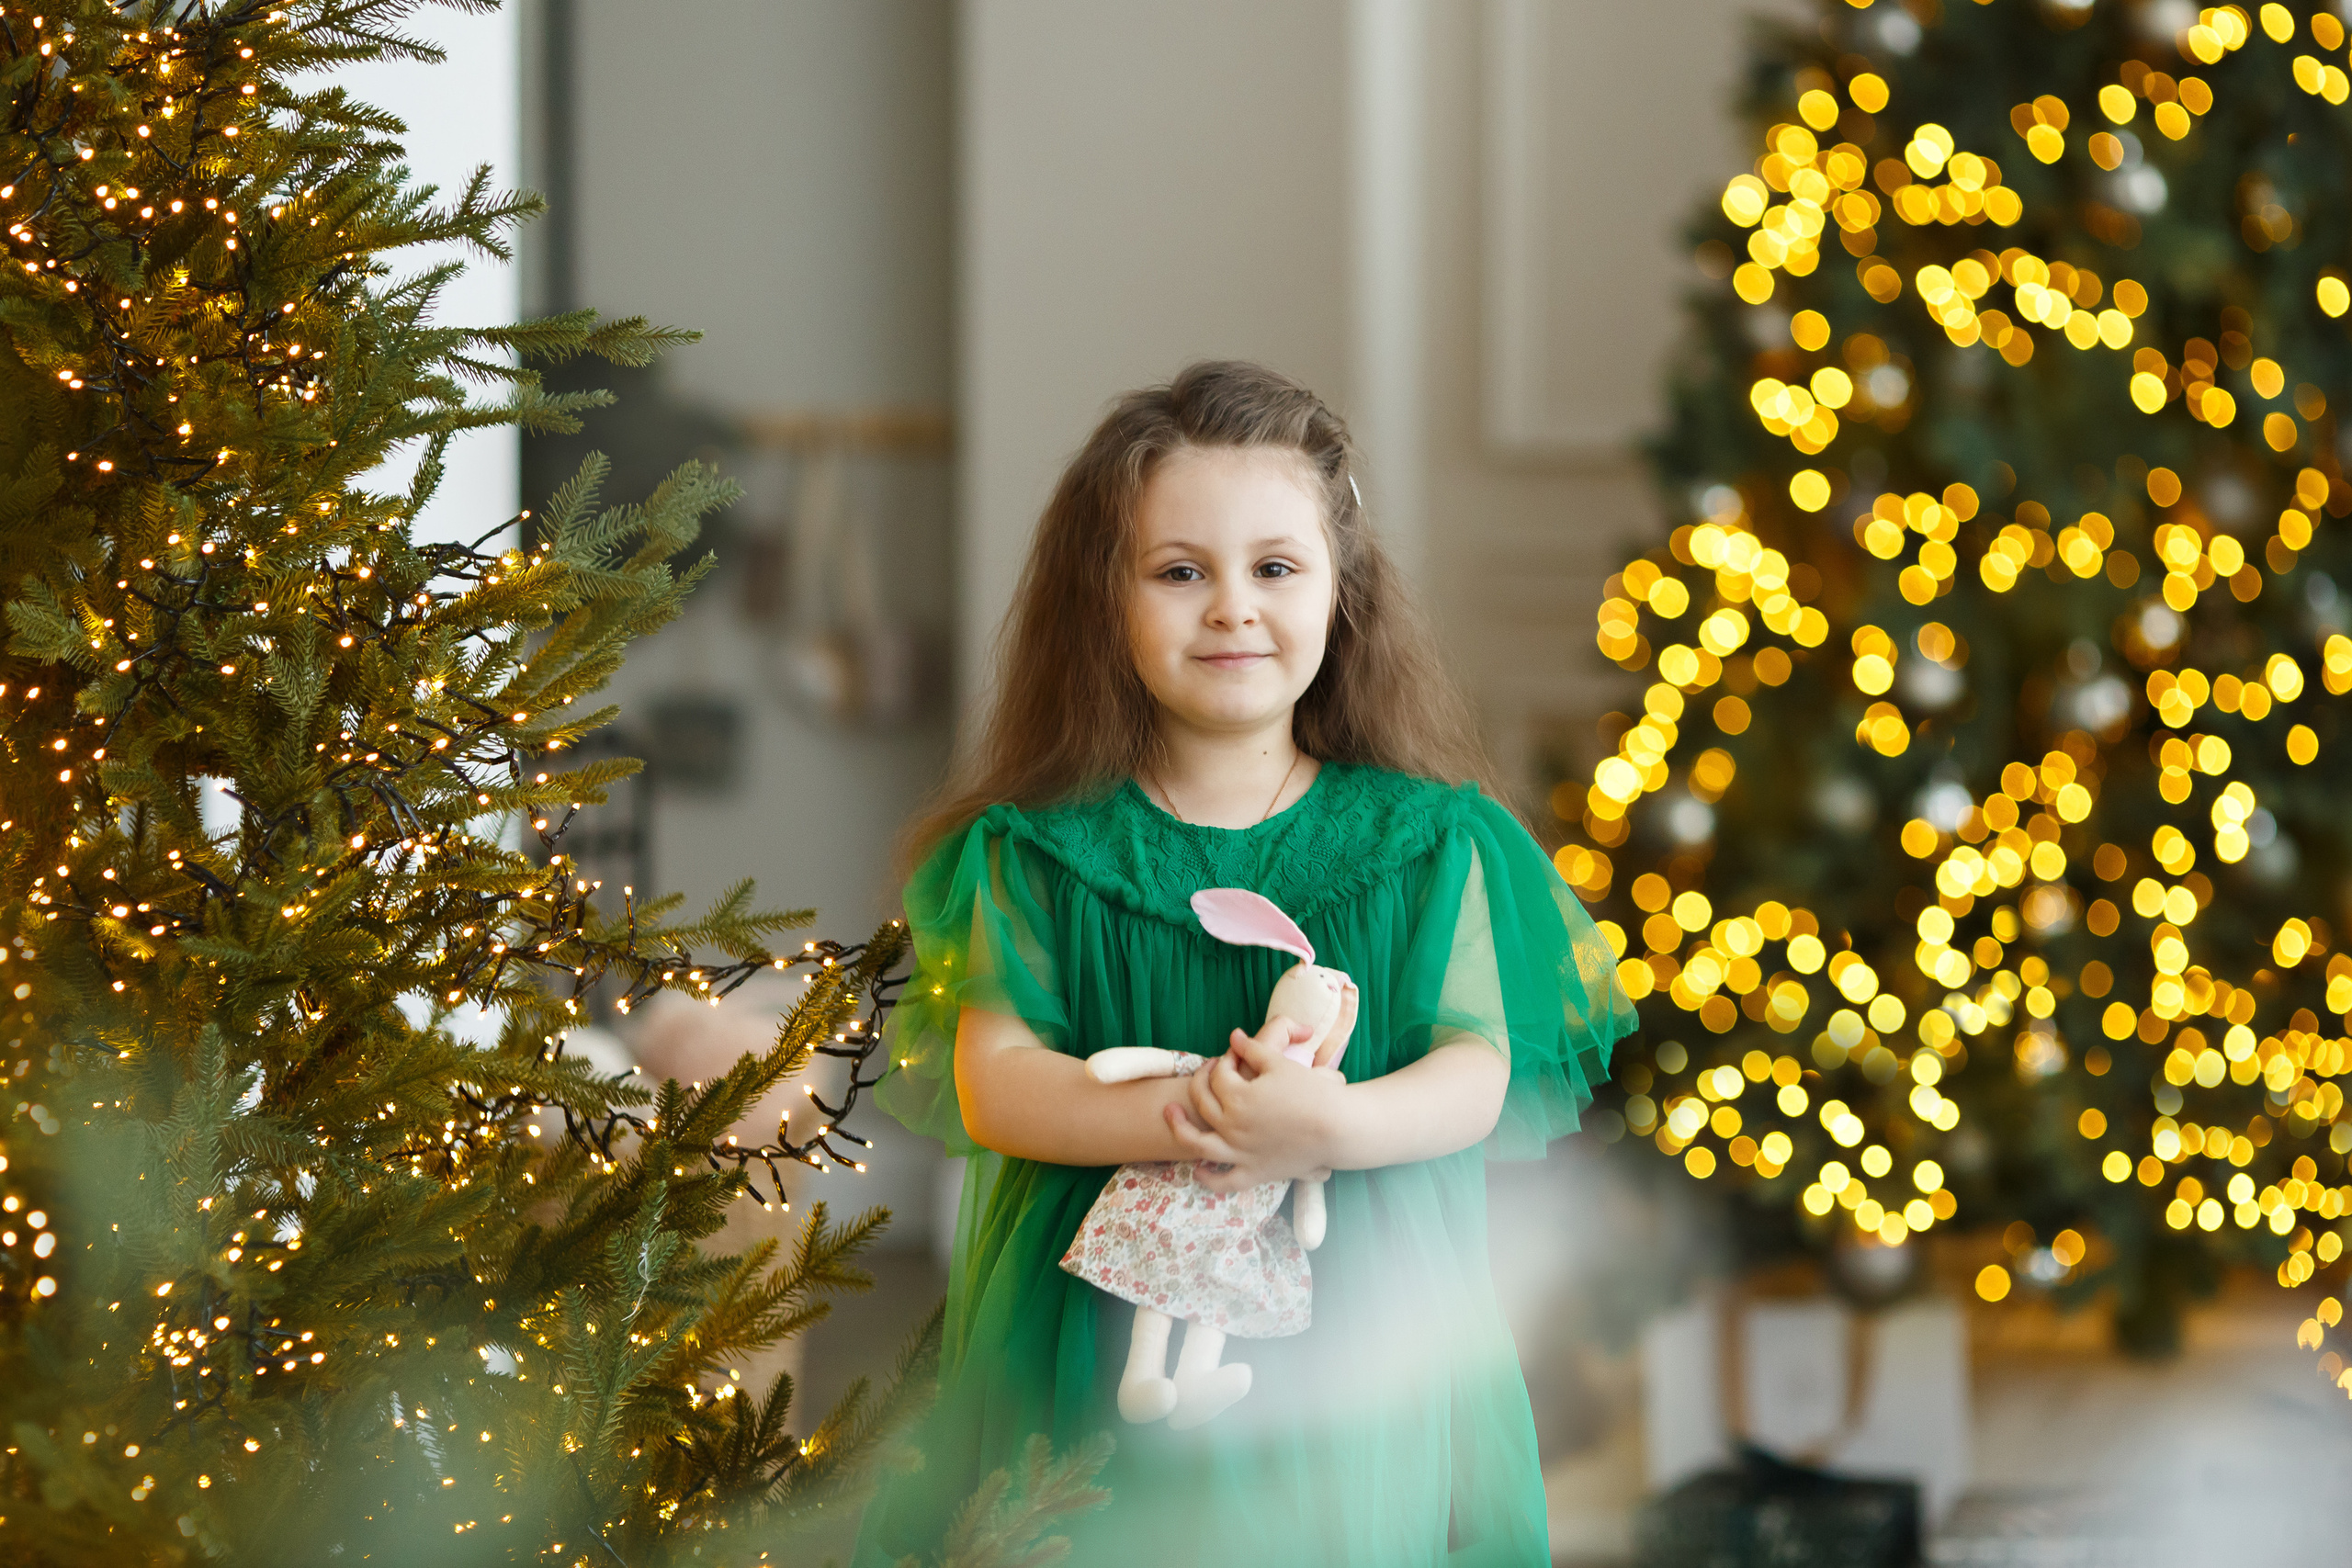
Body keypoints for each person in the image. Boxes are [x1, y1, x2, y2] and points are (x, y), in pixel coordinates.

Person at [852, 361, 1634, 1566]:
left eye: (1275, 568)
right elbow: (995, 1083)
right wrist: (1201, 1117)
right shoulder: (1035, 854)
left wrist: (1330, 1126)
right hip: (1099, 1335)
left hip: (1363, 1339)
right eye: (1181, 572)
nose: (1232, 609)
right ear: (1104, 602)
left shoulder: (1434, 843)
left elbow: (1476, 1069)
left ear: (1341, 592)